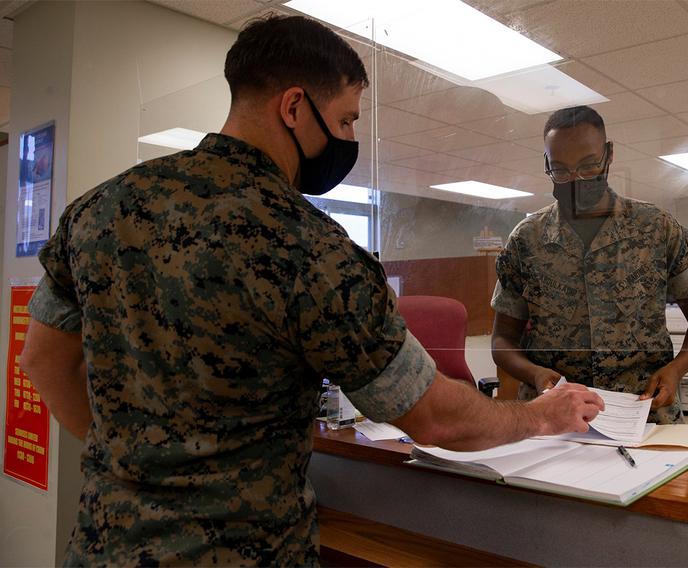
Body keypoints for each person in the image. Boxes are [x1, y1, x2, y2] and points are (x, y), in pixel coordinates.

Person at [20, 16, 604, 566]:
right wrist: (538, 417)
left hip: (103, 549)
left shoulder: (99, 210)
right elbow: (434, 418)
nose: (350, 138)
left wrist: (133, 459)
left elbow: (41, 362)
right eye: (347, 121)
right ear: (295, 106)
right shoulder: (310, 248)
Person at [491, 105, 688, 424]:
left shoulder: (657, 229)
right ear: (546, 164)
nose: (575, 180)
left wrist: (675, 370)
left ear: (609, 154)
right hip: (556, 415)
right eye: (560, 169)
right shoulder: (526, 240)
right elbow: (502, 340)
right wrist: (535, 374)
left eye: (588, 166)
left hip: (644, 412)